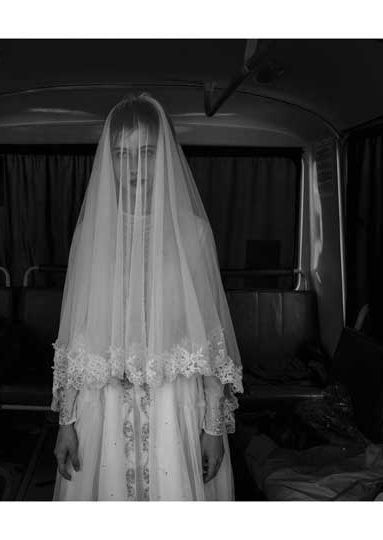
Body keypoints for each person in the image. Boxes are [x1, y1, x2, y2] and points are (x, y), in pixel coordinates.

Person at [51, 93, 243, 501]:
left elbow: (209, 336)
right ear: (109, 161)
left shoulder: (192, 233)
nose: (135, 167)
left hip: (174, 407)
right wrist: (66, 422)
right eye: (122, 154)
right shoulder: (91, 234)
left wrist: (213, 427)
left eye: (147, 153)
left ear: (165, 157)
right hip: (103, 406)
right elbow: (77, 335)